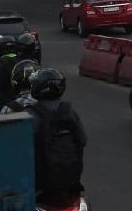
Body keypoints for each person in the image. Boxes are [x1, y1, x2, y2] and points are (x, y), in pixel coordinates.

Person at [25, 68, 86, 202]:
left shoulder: (31, 114)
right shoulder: (69, 111)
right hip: (72, 181)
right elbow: (82, 140)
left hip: (39, 184)